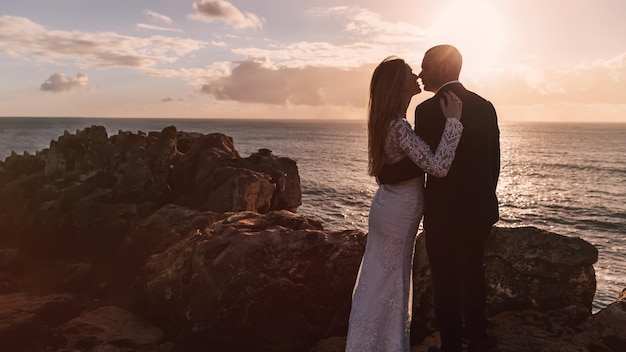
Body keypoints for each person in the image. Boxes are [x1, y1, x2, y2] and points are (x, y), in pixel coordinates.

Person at [377, 45, 500, 352]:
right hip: (479, 210)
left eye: (426, 66)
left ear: (444, 68)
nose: (421, 73)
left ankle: (451, 344)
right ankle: (479, 338)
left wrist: (385, 173)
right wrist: (485, 197)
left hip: (444, 212)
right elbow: (493, 161)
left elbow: (426, 162)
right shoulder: (485, 106)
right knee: (474, 273)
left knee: (445, 281)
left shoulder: (427, 110)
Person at [345, 56, 464, 352]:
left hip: (389, 208)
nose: (417, 76)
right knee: (391, 280)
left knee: (380, 279)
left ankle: (372, 342)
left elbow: (396, 169)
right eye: (411, 73)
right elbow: (438, 166)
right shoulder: (398, 126)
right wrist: (453, 123)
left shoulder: (389, 122)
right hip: (398, 213)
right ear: (399, 84)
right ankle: (384, 345)